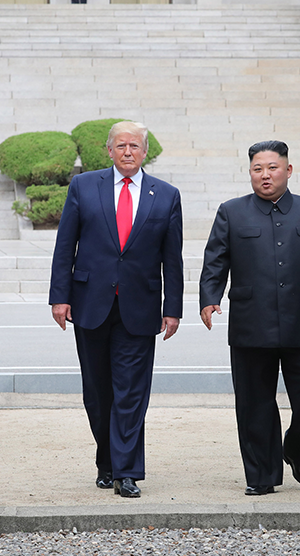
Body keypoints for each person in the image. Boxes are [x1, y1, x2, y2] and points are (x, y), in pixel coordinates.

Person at [199, 140, 300, 496]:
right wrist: (210, 298)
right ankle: (261, 475)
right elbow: (215, 261)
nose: (265, 175)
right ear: (250, 172)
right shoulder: (231, 212)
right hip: (252, 323)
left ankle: (297, 449)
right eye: (257, 169)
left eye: (272, 168)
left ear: (288, 170)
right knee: (254, 403)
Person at [49, 121, 183, 499]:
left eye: (135, 146)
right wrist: (60, 296)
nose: (128, 151)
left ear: (145, 152)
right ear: (109, 151)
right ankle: (106, 460)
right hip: (90, 303)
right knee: (97, 391)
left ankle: (127, 471)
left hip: (139, 307)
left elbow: (172, 259)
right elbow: (65, 246)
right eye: (121, 145)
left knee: (131, 392)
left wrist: (172, 307)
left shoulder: (166, 195)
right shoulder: (83, 186)